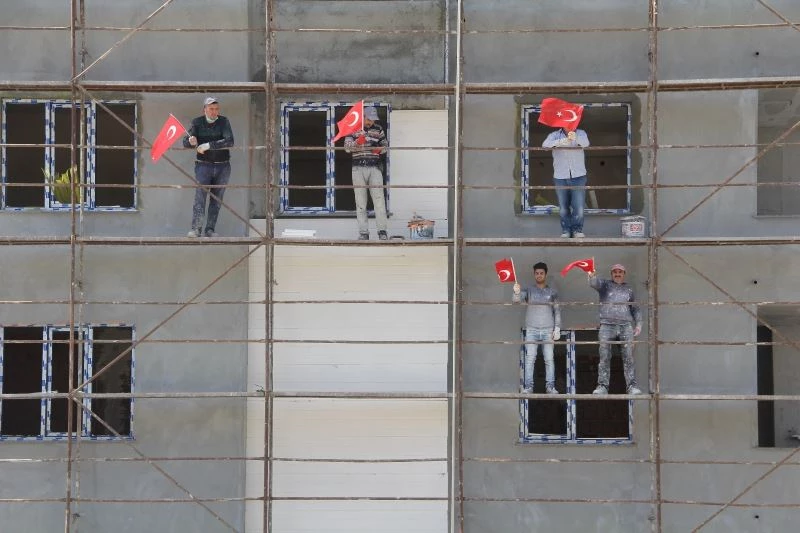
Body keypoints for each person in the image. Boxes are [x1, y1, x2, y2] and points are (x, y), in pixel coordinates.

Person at [183, 96, 234, 238]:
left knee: (216, 200)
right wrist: (191, 141)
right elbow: (185, 143)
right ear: (204, 109)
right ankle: (196, 229)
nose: (214, 112)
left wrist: (209, 145)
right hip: (203, 166)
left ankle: (210, 229)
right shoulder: (197, 123)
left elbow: (230, 141)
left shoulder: (223, 122)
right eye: (211, 109)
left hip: (223, 166)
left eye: (216, 109)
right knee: (200, 197)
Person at [588, 264, 643, 395]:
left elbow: (635, 308)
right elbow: (594, 283)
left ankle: (631, 386)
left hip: (625, 326)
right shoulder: (605, 285)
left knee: (628, 357)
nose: (617, 274)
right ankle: (602, 387)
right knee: (605, 356)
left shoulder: (629, 289)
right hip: (607, 326)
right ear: (611, 274)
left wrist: (639, 324)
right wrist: (591, 275)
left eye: (620, 272)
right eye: (615, 272)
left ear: (624, 274)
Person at [513, 262, 562, 394]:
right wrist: (516, 292)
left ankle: (550, 387)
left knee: (549, 359)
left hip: (548, 330)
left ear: (545, 274)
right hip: (532, 329)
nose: (539, 275)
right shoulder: (529, 290)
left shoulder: (552, 292)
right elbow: (516, 300)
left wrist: (557, 328)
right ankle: (528, 387)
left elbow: (557, 310)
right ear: (534, 274)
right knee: (530, 359)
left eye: (541, 273)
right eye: (537, 273)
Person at [344, 106, 389, 240]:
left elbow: (385, 145)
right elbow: (347, 148)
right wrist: (357, 142)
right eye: (369, 119)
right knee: (361, 203)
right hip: (358, 169)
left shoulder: (378, 129)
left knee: (379, 202)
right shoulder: (353, 128)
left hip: (374, 168)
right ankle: (364, 233)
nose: (371, 122)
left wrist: (379, 149)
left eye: (373, 119)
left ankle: (382, 232)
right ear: (363, 117)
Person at [542, 127, 590, 238]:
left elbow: (586, 143)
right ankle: (566, 231)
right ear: (562, 123)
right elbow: (545, 145)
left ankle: (577, 230)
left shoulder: (581, 133)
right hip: (560, 176)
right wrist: (561, 142)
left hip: (578, 176)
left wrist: (576, 138)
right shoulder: (554, 135)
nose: (569, 124)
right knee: (563, 207)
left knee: (578, 206)